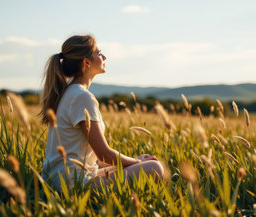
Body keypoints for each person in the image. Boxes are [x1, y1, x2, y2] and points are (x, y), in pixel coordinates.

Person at [39, 34, 163, 191]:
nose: (104, 56)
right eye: (99, 53)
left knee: (138, 165)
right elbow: (103, 153)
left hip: (60, 180)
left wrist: (133, 161)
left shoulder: (69, 92)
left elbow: (96, 158)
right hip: (72, 186)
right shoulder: (82, 96)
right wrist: (138, 163)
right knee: (154, 168)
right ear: (86, 62)